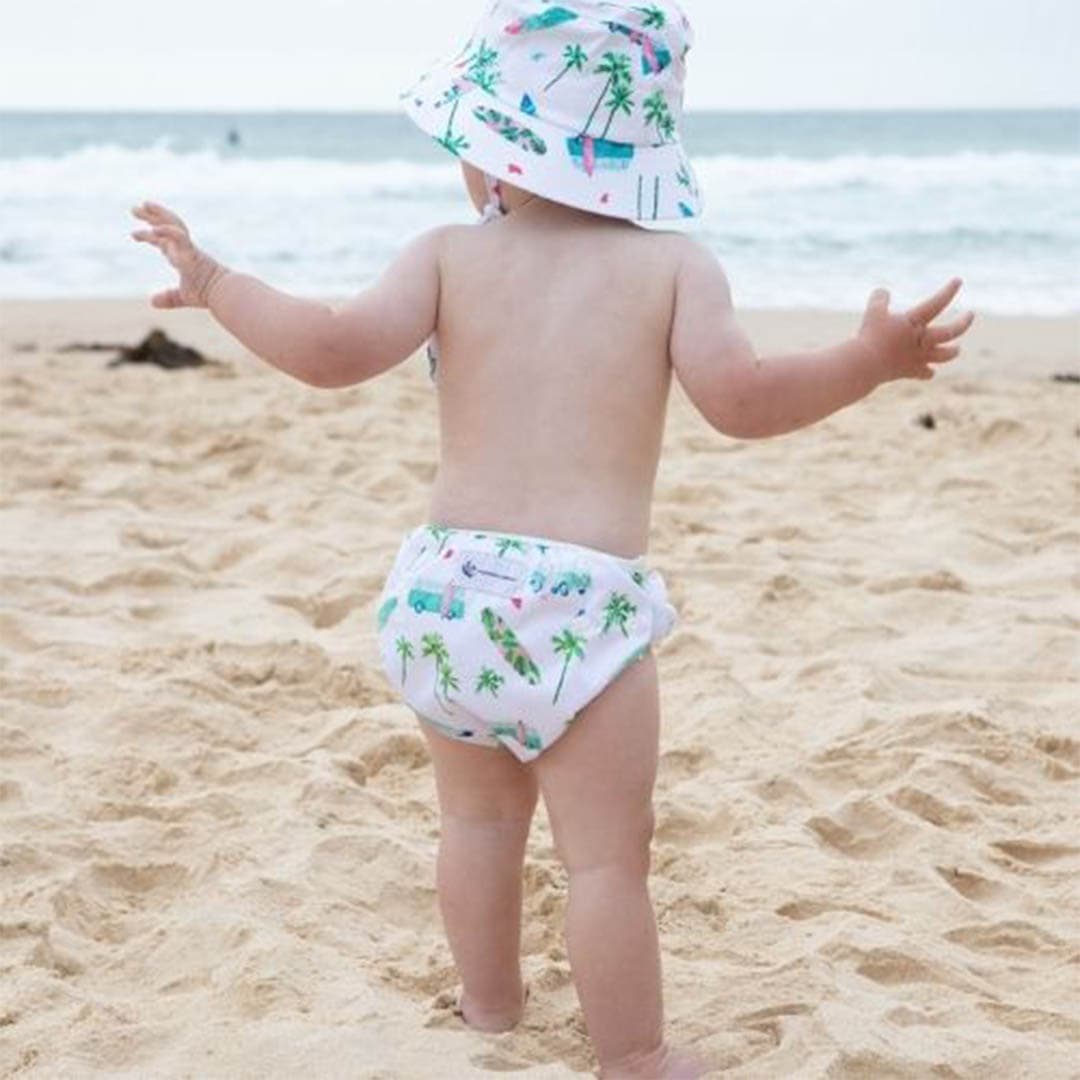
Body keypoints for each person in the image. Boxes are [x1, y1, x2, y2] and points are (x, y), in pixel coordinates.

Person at [130, 2, 976, 1075]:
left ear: (500, 149)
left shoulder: (446, 255)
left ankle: (489, 1010)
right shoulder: (676, 268)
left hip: (447, 598)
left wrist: (216, 283)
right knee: (607, 861)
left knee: (477, 827)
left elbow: (332, 351)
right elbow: (744, 402)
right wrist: (867, 360)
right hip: (581, 613)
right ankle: (635, 1057)